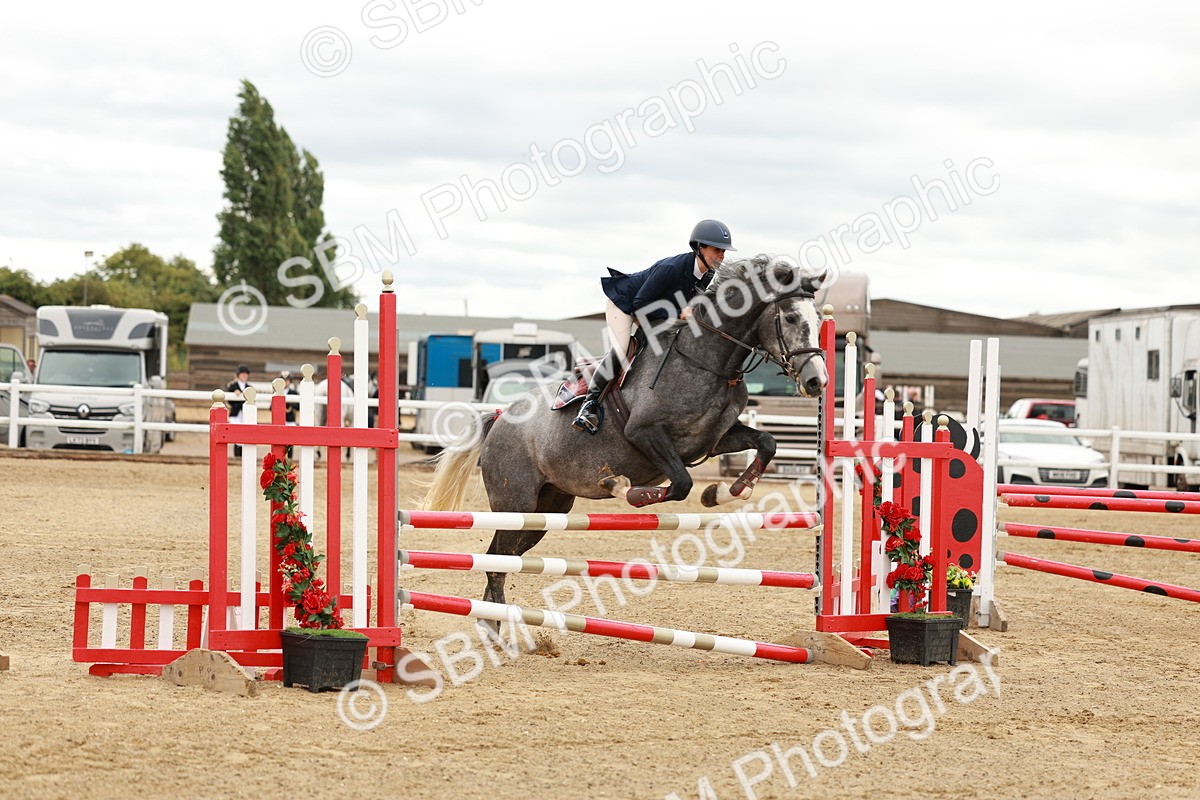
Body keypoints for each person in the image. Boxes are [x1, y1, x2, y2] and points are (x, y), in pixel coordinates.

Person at [573, 219, 735, 434]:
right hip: (625, 304)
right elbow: (640, 304)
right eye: (717, 250)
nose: (721, 256)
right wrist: (679, 313)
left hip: (654, 309)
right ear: (699, 247)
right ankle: (590, 405)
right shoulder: (671, 268)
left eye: (723, 251)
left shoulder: (708, 273)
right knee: (623, 349)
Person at [225, 364, 251, 456]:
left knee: (245, 433)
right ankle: (237, 454)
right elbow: (229, 400)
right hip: (236, 412)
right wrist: (235, 394)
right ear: (238, 375)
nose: (244, 375)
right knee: (236, 434)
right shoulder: (233, 386)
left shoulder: (249, 387)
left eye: (245, 374)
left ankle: (244, 454)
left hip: (245, 413)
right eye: (242, 374)